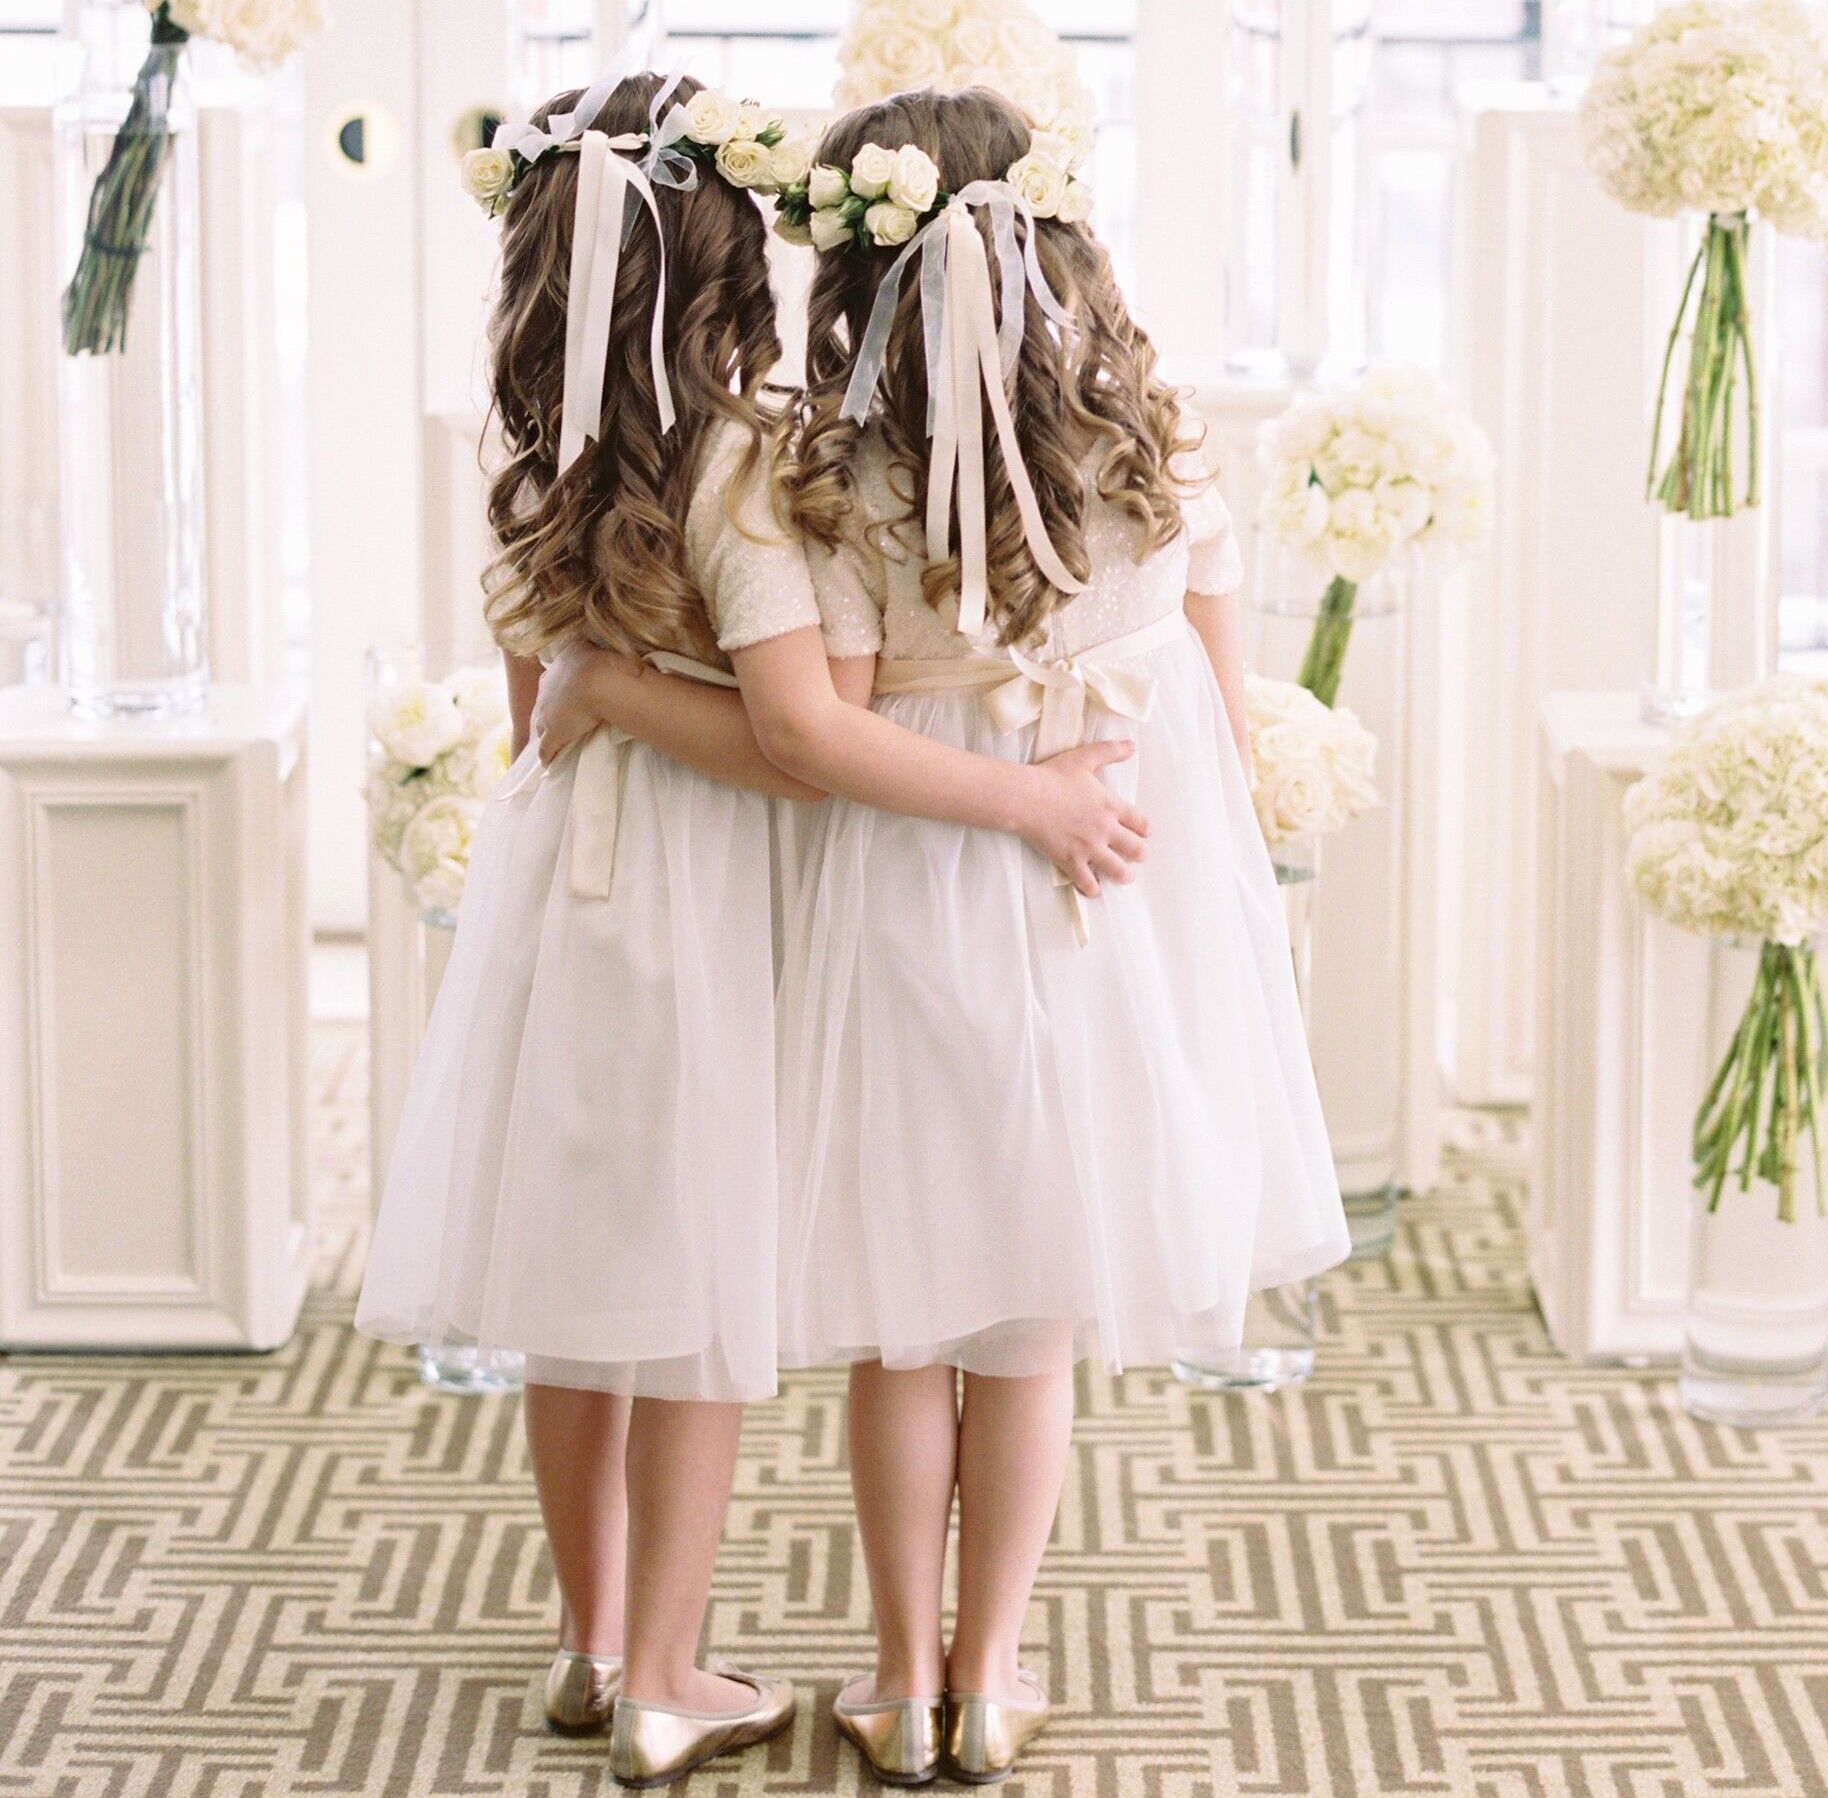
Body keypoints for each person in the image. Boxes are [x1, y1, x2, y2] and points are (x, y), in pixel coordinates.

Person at [534, 84, 1349, 1785]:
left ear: (854, 275)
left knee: (912, 1316)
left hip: (910, 894)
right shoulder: (1161, 445)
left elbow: (814, 730)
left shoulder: (837, 478)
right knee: (1030, 1324)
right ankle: (992, 1679)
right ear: (1061, 248)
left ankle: (899, 1685)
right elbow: (1215, 700)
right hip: (1101, 896)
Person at [355, 67, 1146, 1790]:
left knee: (580, 1283)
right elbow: (798, 746)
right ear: (724, 255)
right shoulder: (739, 465)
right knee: (685, 1282)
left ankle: (587, 1639)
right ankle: (661, 1673)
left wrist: (599, 685)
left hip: (557, 901)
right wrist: (636, 695)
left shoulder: (526, 448)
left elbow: (533, 719)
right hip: (695, 893)